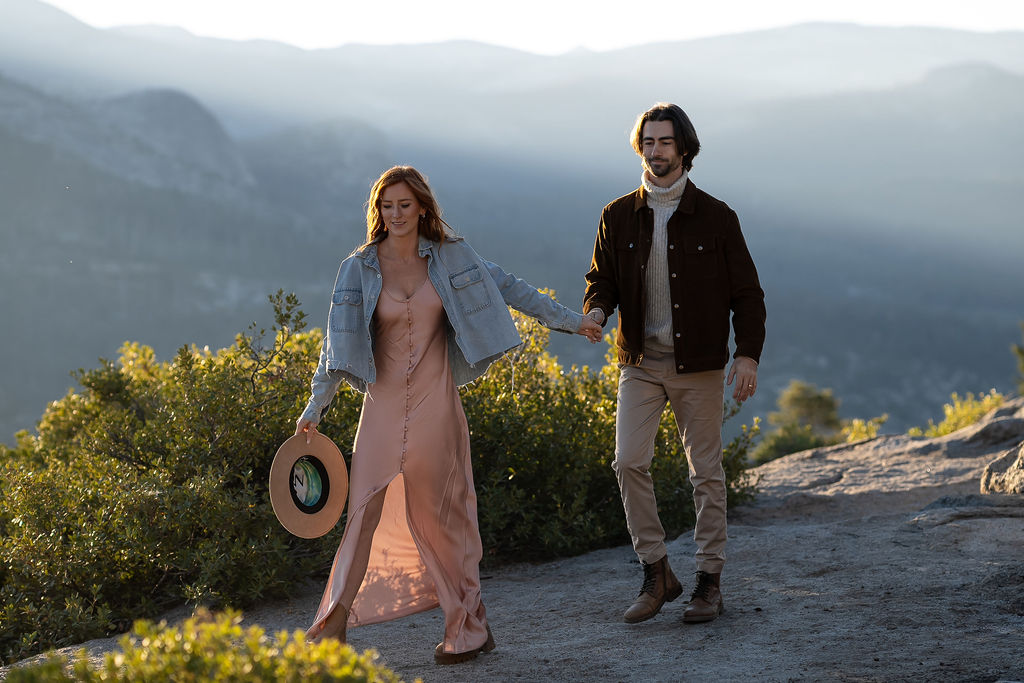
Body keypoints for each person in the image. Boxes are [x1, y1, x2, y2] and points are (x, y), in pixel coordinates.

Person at [295, 165, 602, 664]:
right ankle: (332, 624)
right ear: (378, 212)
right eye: (386, 206)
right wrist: (316, 405)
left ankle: (468, 627)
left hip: (436, 406)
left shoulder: (453, 255)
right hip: (380, 408)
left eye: (404, 205)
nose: (395, 214)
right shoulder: (357, 267)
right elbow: (336, 344)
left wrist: (573, 322)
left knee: (445, 518)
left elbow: (511, 288)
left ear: (421, 207)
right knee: (362, 514)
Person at [583, 103, 766, 624]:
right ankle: (657, 570)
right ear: (640, 148)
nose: (656, 151)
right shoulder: (617, 214)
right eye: (648, 142)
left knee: (705, 472)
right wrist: (596, 311)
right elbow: (604, 279)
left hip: (699, 365)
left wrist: (747, 354)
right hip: (640, 361)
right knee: (627, 461)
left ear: (684, 148)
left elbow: (748, 294)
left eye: (665, 142)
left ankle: (709, 581)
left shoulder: (716, 216)